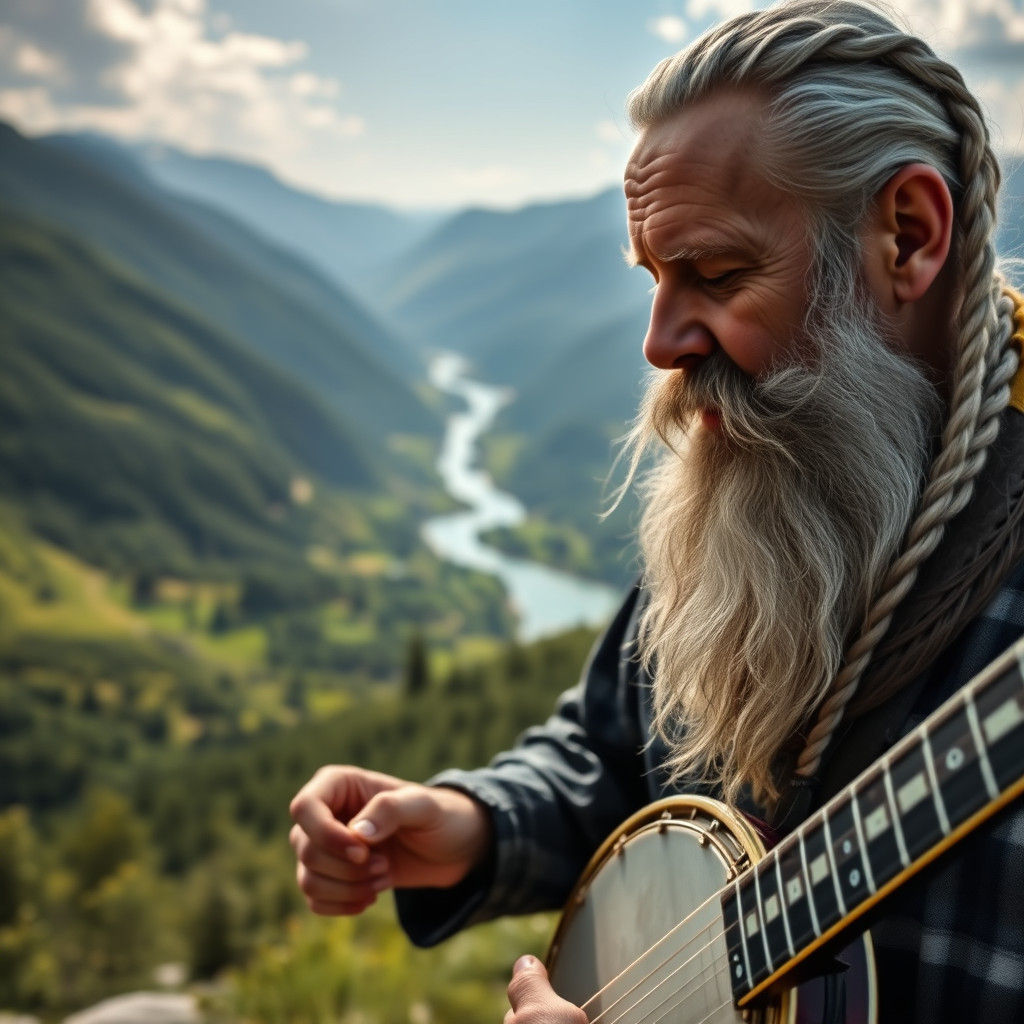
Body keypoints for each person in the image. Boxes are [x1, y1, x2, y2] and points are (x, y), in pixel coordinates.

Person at [289, 1, 1024, 1020]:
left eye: (716, 274)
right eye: (652, 277)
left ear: (905, 236)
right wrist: (475, 821)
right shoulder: (780, 469)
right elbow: (620, 745)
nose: (660, 341)